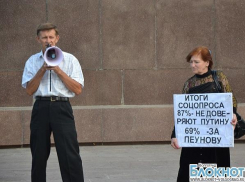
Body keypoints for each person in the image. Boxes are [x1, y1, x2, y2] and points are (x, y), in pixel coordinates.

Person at [22, 23, 84, 182]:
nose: (48, 40)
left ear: (57, 38)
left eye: (51, 37)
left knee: (69, 153)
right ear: (38, 39)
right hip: (40, 107)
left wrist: (57, 69)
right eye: (44, 37)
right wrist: (43, 68)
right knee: (38, 154)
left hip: (61, 106)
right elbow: (29, 90)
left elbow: (77, 89)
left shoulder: (70, 59)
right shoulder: (32, 61)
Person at [170, 46, 238, 182]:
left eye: (196, 62)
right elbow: (183, 113)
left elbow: (231, 101)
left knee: (216, 170)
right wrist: (175, 135)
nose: (193, 65)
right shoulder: (189, 84)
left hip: (215, 138)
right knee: (189, 170)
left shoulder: (219, 78)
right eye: (191, 62)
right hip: (194, 138)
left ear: (207, 62)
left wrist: (233, 114)